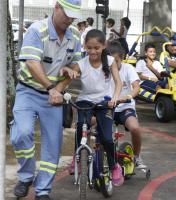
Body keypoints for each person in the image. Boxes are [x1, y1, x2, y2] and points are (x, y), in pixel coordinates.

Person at [10, 0, 81, 200]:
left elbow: (77, 65)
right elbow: (32, 63)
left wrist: (67, 76)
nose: (70, 19)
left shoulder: (75, 35)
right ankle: (26, 177)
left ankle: (43, 191)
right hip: (28, 91)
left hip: (54, 95)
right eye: (67, 14)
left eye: (74, 15)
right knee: (20, 134)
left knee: (53, 144)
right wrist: (51, 88)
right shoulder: (37, 30)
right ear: (56, 7)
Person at [72, 29, 124, 186]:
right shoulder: (80, 64)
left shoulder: (109, 61)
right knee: (81, 126)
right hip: (84, 101)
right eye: (89, 48)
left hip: (104, 103)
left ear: (103, 46)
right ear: (84, 46)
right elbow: (70, 75)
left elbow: (118, 83)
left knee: (107, 138)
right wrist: (69, 71)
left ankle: (114, 166)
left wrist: (114, 99)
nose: (92, 51)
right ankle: (77, 157)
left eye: (96, 48)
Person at [107, 41, 147, 169]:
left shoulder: (128, 68)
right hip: (108, 107)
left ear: (122, 58)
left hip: (125, 107)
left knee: (135, 128)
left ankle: (136, 156)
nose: (112, 64)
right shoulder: (103, 69)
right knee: (91, 125)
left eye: (116, 61)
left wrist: (128, 96)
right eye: (109, 61)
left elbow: (136, 87)